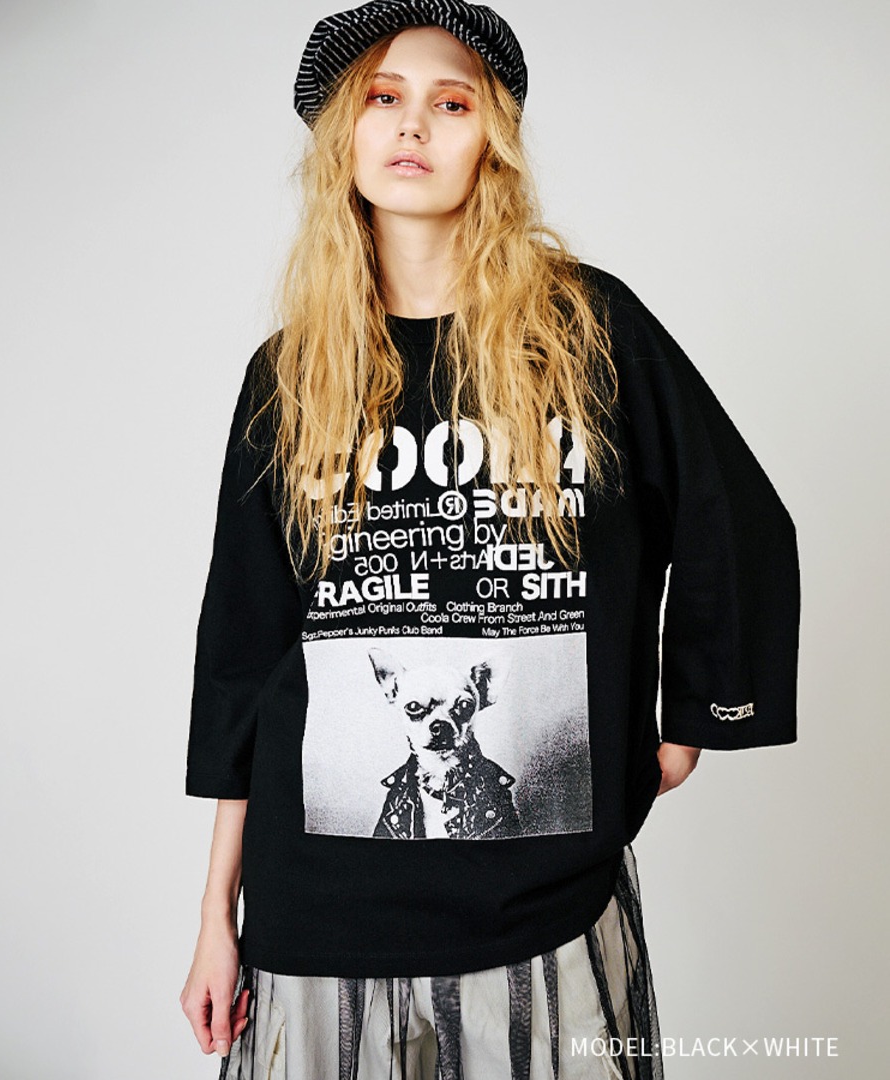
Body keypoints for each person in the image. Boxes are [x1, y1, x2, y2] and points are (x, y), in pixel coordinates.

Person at [179, 2, 800, 1078]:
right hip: (315, 910)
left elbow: (731, 514)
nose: (413, 125)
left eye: (451, 103)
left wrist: (693, 720)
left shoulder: (588, 331)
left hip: (544, 907)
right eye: (384, 97)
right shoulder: (289, 374)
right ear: (344, 136)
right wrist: (213, 916)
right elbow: (245, 651)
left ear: (492, 144)